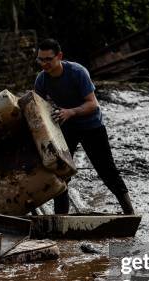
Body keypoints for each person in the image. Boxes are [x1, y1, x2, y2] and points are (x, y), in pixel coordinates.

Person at [34, 38, 134, 215]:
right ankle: (61, 218)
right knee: (61, 173)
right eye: (41, 59)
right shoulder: (41, 80)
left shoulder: (77, 72)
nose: (44, 64)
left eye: (48, 59)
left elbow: (93, 104)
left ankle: (129, 213)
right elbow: (38, 108)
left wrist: (70, 112)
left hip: (91, 125)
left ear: (59, 56)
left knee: (106, 170)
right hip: (65, 127)